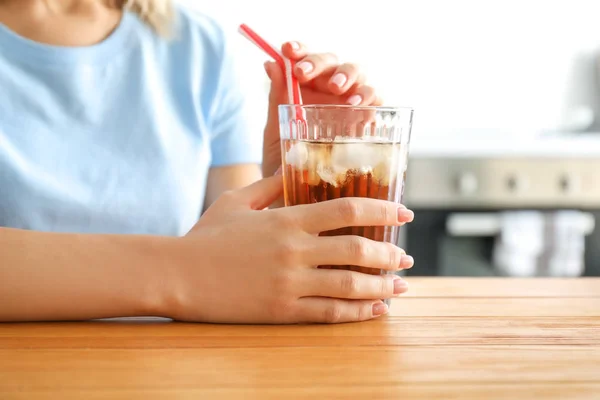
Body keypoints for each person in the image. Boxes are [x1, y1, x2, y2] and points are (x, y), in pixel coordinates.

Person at [0, 0, 415, 324]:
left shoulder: (201, 48)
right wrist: (186, 272)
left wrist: (295, 174)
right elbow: (213, 267)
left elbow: (238, 245)